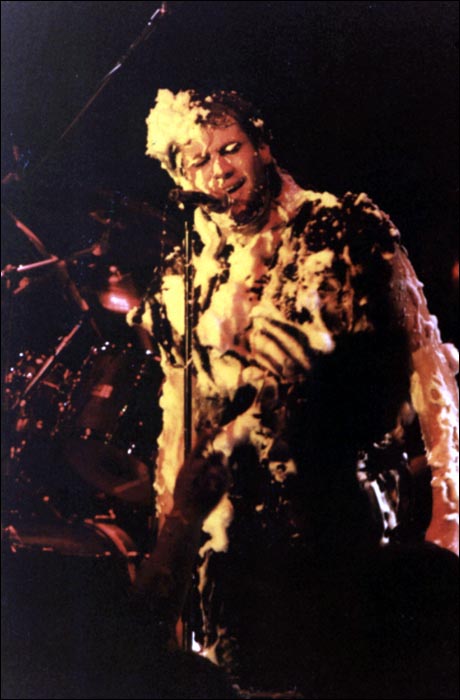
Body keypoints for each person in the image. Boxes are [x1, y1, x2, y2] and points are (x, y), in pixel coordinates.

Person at [128, 89, 459, 696]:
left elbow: (428, 366)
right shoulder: (182, 278)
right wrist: (173, 550)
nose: (219, 170)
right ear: (180, 177)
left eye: (230, 149)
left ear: (262, 148)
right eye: (199, 160)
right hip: (237, 557)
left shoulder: (343, 227)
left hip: (345, 530)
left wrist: (450, 517)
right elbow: (180, 424)